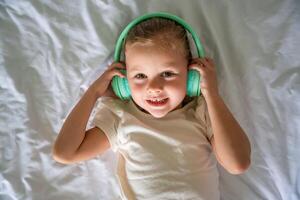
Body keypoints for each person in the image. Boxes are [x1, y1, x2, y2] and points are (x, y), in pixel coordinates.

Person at [52, 17, 251, 200]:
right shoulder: (121, 117)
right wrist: (94, 91)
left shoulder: (200, 112)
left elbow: (237, 163)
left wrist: (211, 94)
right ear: (124, 83)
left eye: (167, 73)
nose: (154, 88)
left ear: (191, 76)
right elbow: (65, 153)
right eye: (140, 76)